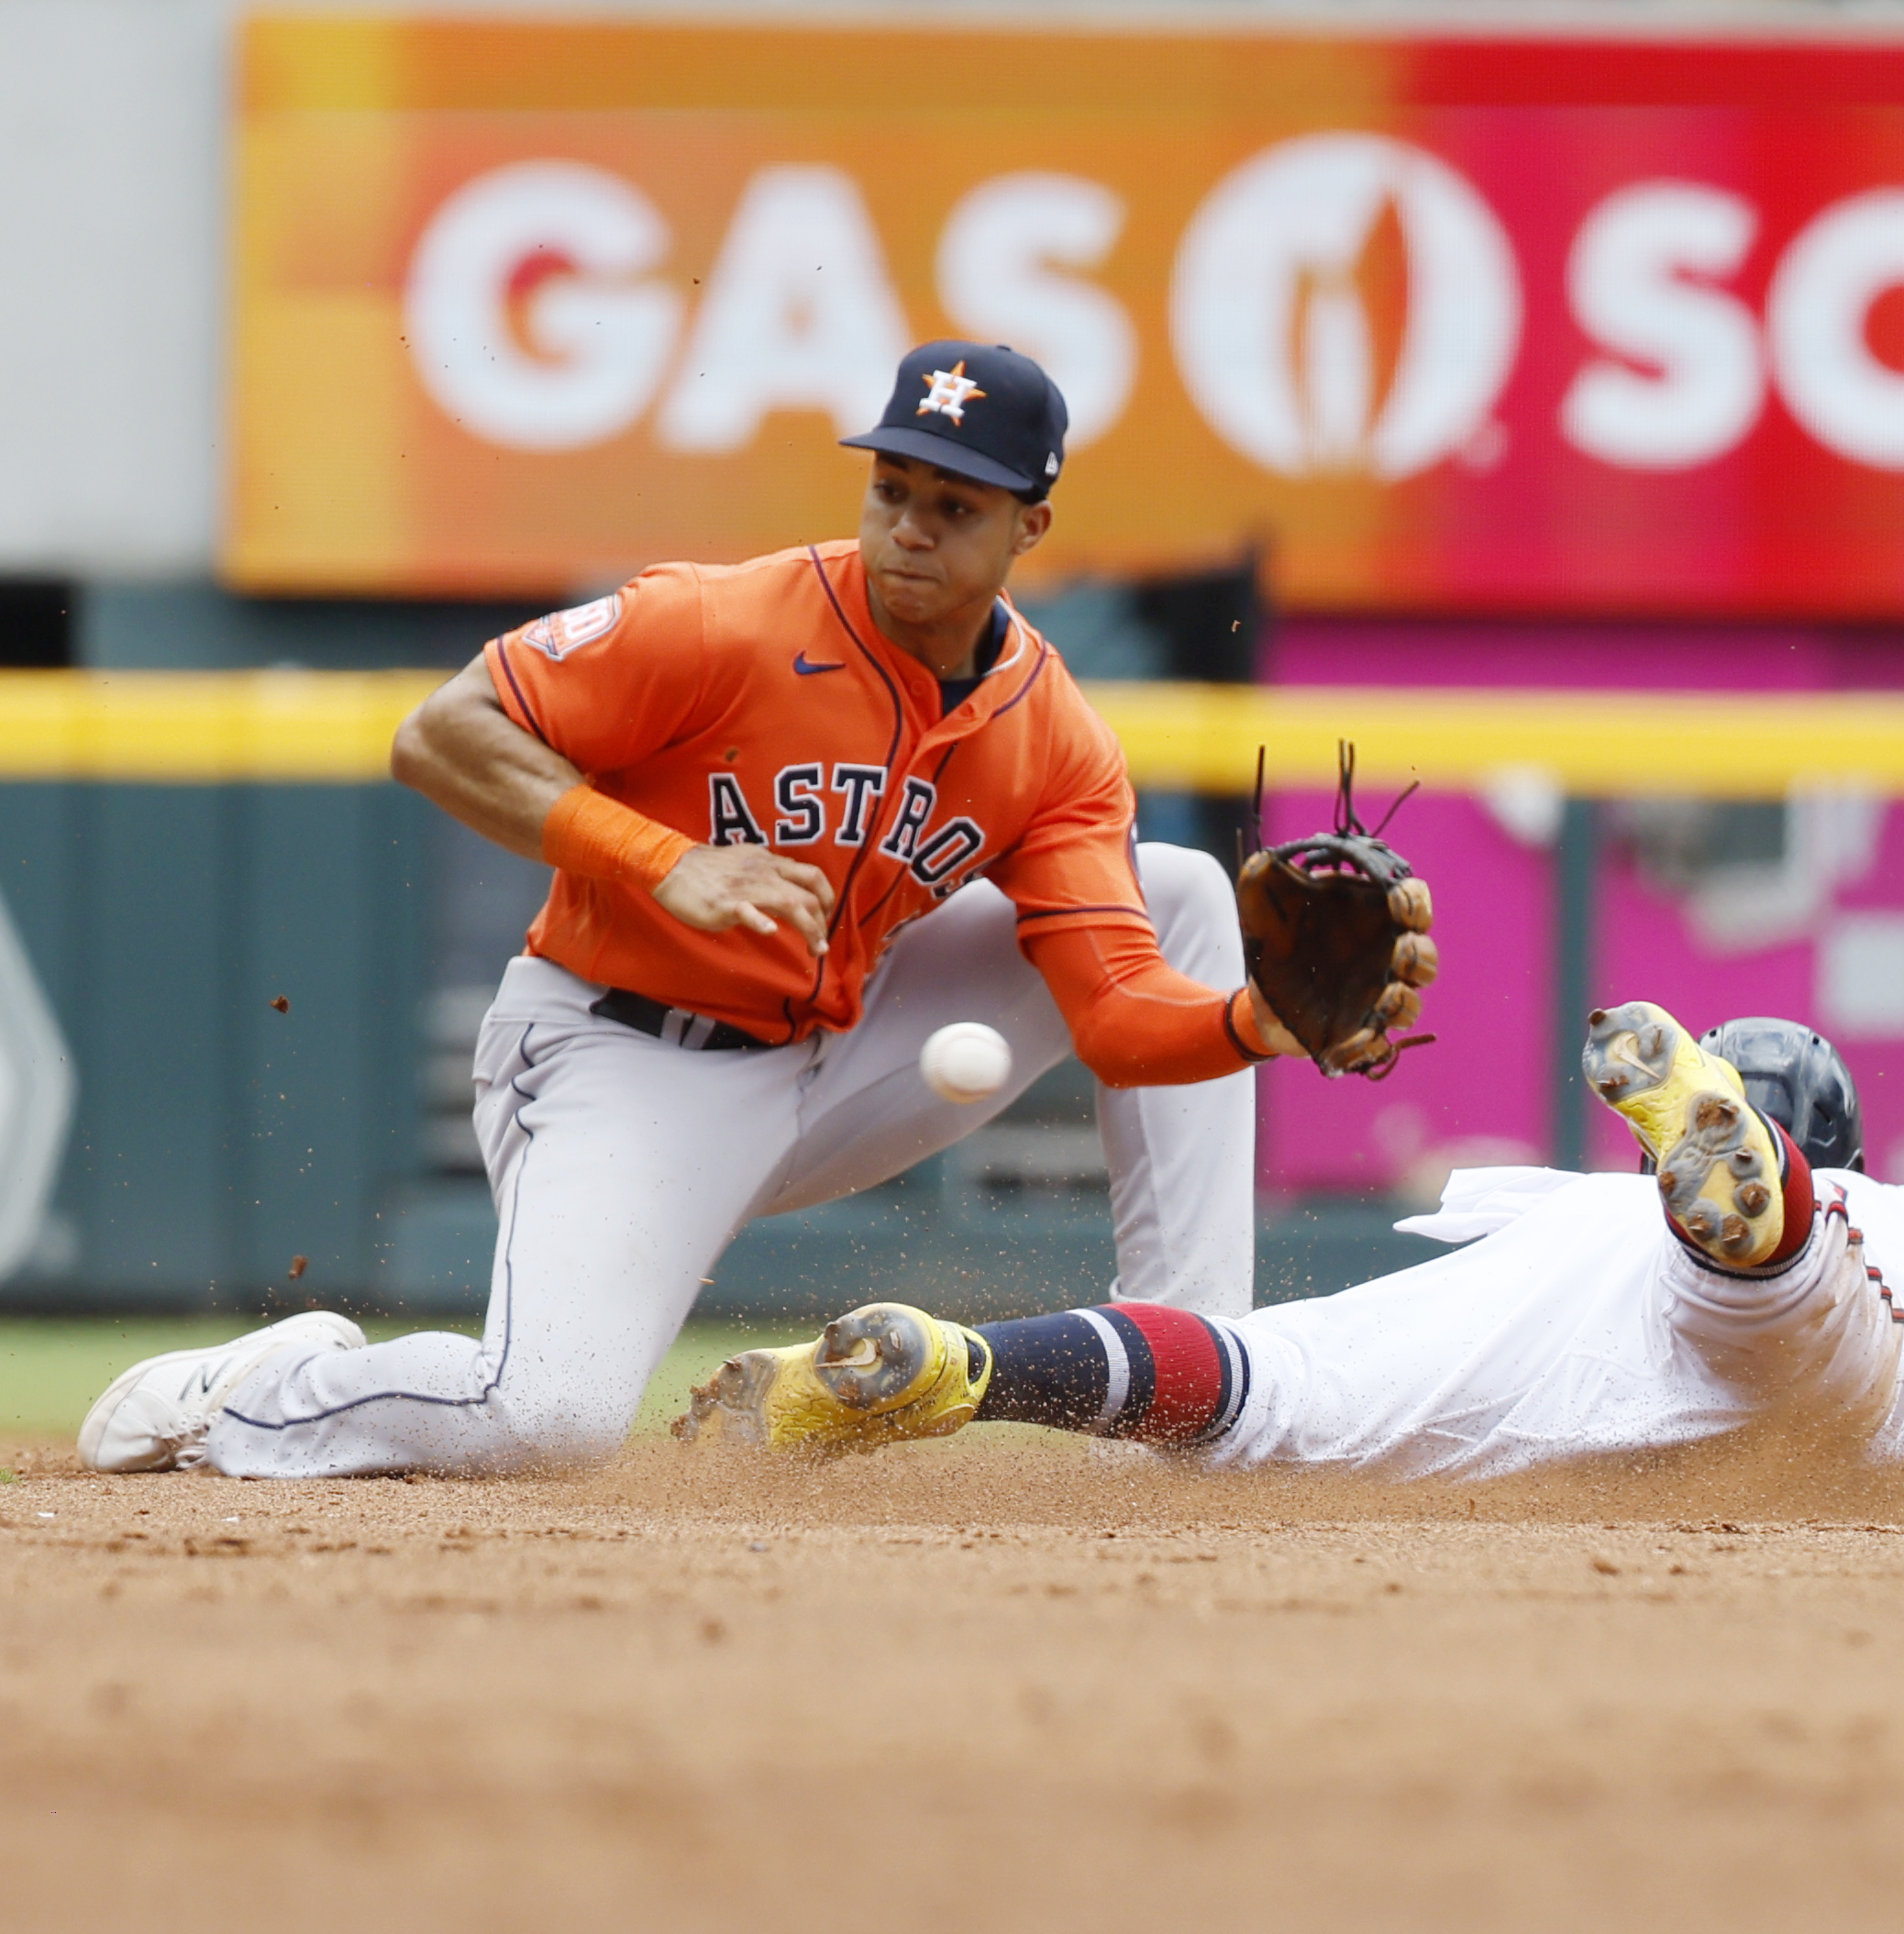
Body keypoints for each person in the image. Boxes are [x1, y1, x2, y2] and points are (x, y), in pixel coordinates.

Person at [79, 340, 1397, 1479]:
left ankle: (1193, 1385)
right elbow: (442, 734)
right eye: (892, 489)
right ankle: (258, 1396)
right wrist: (660, 858)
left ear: (1028, 530)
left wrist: (1253, 1023)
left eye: (955, 503)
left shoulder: (1052, 735)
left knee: (1176, 894)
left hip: (843, 1048)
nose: (911, 527)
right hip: (619, 1054)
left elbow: (1113, 1016)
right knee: (546, 1418)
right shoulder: (718, 624)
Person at [691, 1001, 1904, 1484]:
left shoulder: (1561, 1201)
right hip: (1790, 1319)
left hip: (1552, 1299)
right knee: (1791, 1320)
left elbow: (1467, 1192)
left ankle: (963, 1371)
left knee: (1263, 1389)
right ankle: (1764, 1223)